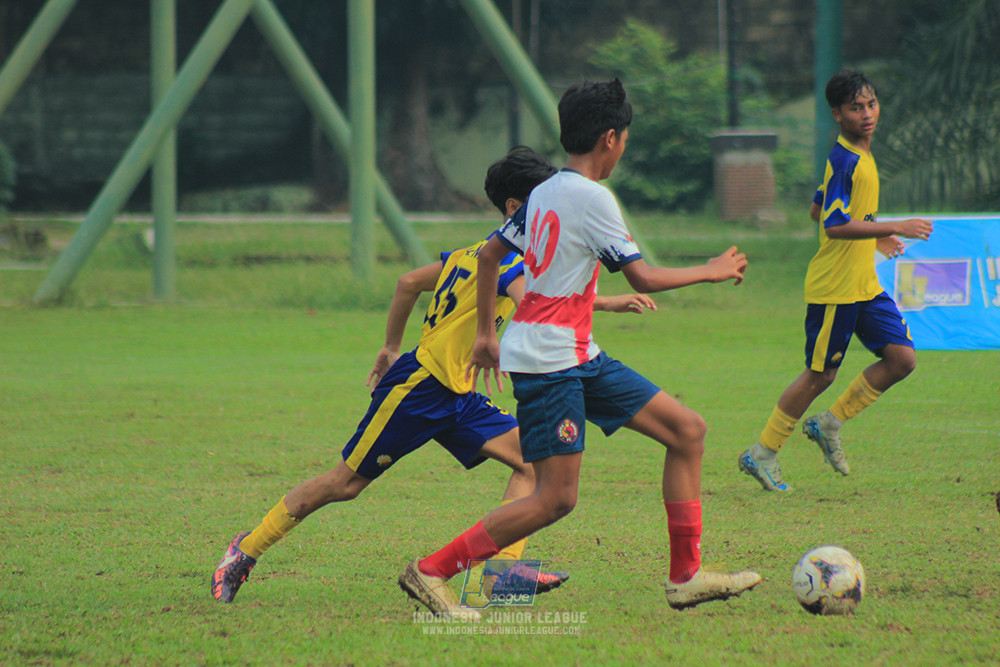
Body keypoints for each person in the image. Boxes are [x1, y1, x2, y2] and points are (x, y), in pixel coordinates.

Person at [211, 145, 653, 605]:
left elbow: (407, 283)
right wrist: (603, 305)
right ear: (515, 208)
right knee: (345, 484)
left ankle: (502, 574)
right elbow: (532, 301)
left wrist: (390, 346)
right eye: (543, 203)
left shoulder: (469, 254)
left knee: (530, 461)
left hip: (458, 395)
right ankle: (245, 549)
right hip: (419, 388)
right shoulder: (509, 260)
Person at [398, 79, 761, 618]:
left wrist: (486, 336)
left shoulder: (544, 192)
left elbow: (489, 255)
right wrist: (711, 270)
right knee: (555, 499)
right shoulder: (593, 198)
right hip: (549, 362)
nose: (622, 149)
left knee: (687, 431)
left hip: (578, 354)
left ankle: (685, 577)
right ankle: (431, 571)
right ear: (610, 138)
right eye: (625, 140)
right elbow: (641, 277)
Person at [738, 69, 933, 492]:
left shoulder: (857, 154)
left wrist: (876, 239)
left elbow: (818, 209)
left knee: (901, 360)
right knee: (820, 375)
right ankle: (762, 452)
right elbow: (833, 224)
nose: (867, 114)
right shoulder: (846, 159)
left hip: (864, 284)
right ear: (837, 114)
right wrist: (894, 226)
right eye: (856, 108)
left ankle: (828, 424)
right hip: (836, 288)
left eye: (871, 104)